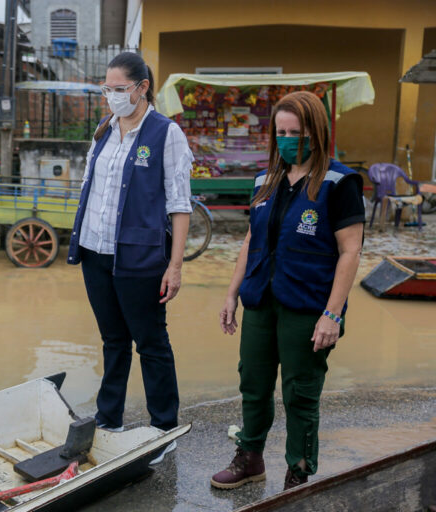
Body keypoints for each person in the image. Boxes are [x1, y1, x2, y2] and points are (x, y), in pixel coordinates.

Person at [211, 91, 365, 491]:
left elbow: (350, 251)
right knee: (253, 383)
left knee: (300, 392)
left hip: (307, 308)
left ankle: (299, 473)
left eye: (295, 132)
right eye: (280, 131)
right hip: (261, 300)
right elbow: (250, 240)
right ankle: (250, 458)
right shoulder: (266, 180)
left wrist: (332, 314)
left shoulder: (339, 182)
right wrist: (231, 293)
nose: (286, 139)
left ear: (316, 132)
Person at [67, 52, 193, 464]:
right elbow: (91, 189)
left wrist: (174, 266)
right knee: (113, 340)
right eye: (107, 89)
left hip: (140, 257)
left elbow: (179, 204)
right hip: (95, 252)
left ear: (141, 88)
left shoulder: (165, 133)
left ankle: (164, 429)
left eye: (119, 89)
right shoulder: (104, 129)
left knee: (151, 341)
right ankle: (110, 419)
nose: (112, 97)